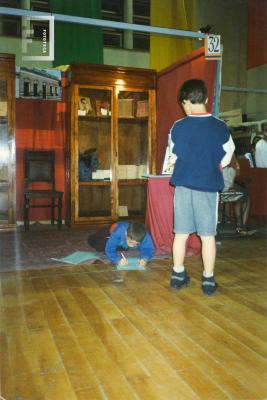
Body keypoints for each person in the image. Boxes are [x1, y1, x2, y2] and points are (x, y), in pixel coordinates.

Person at [168, 79, 235, 295]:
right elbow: (228, 154)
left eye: (184, 104)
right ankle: (208, 281)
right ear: (206, 99)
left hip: (183, 188)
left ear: (185, 101)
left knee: (180, 234)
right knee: (207, 237)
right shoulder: (220, 127)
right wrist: (215, 166)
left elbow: (172, 157)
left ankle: (178, 276)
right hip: (207, 188)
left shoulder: (178, 127)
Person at [88, 221, 155, 266]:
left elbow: (149, 249)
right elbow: (109, 249)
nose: (133, 245)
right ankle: (93, 237)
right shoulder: (118, 231)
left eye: (136, 243)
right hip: (111, 230)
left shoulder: (145, 235)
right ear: (126, 234)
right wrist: (117, 260)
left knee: (123, 247)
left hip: (122, 241)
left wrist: (145, 259)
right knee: (97, 244)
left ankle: (122, 245)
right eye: (131, 242)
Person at [222, 153, 252, 234]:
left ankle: (241, 225)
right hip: (223, 193)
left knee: (243, 195)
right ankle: (242, 226)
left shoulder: (219, 162)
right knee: (245, 197)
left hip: (221, 192)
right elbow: (235, 176)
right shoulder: (231, 165)